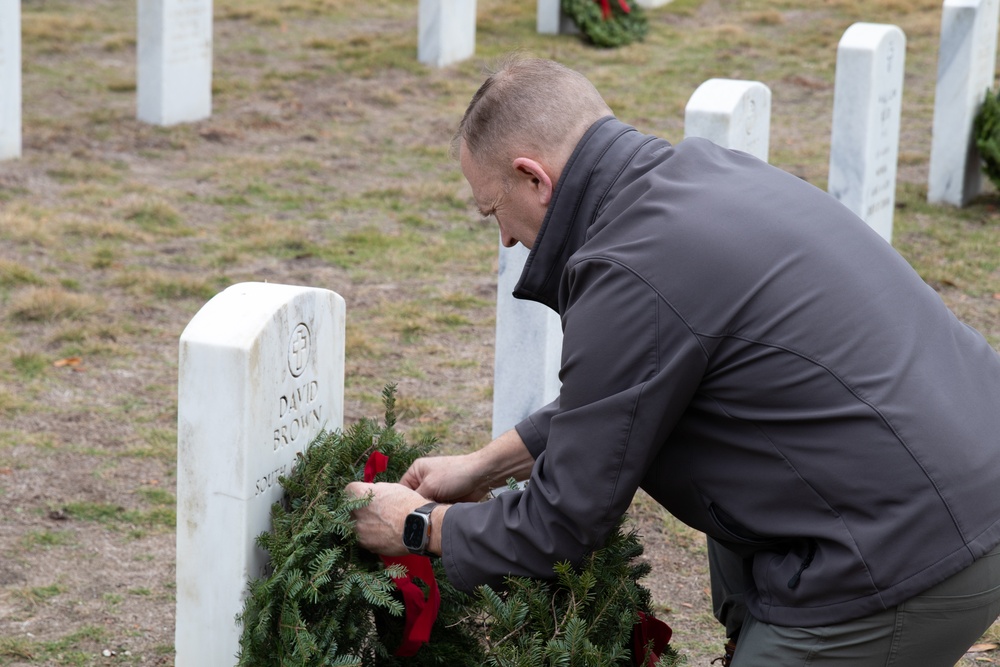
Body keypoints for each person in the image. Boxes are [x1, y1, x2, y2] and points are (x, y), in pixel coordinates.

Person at [346, 56, 1000, 666]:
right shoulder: (696, 177)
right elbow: (638, 391)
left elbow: (564, 520)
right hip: (963, 476)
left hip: (907, 552)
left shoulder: (629, 268)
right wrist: (488, 464)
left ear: (534, 178)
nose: (506, 237)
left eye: (495, 210)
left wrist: (415, 525)